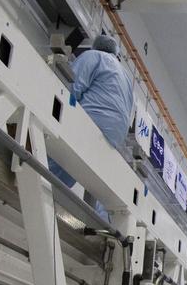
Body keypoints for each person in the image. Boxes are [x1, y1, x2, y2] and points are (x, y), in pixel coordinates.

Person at [49, 33, 135, 188]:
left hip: (95, 119)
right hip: (115, 137)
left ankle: (40, 177)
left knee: (57, 150)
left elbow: (73, 84)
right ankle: (57, 188)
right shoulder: (127, 78)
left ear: (96, 46)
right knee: (75, 165)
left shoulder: (94, 56)